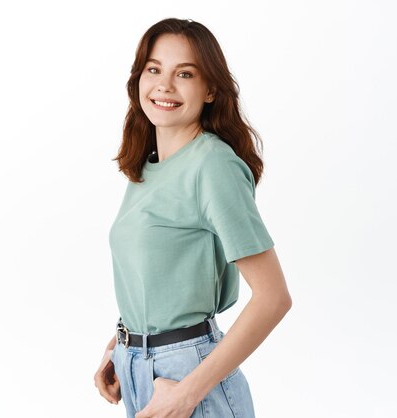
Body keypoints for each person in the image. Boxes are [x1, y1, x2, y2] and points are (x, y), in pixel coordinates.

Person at [92, 17, 292, 418]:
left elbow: (273, 298)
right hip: (139, 369)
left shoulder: (212, 165)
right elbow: (159, 278)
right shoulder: (146, 167)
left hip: (187, 375)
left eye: (184, 73)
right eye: (154, 69)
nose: (164, 85)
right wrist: (121, 345)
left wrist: (187, 393)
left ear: (210, 89)